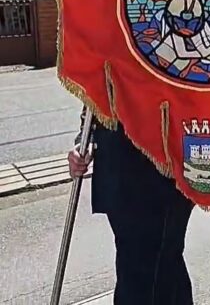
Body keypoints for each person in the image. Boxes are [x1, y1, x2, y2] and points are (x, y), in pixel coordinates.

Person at [68, 112, 195, 304]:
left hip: (165, 162)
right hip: (118, 162)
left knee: (150, 269)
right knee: (149, 266)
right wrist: (86, 138)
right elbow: (94, 100)